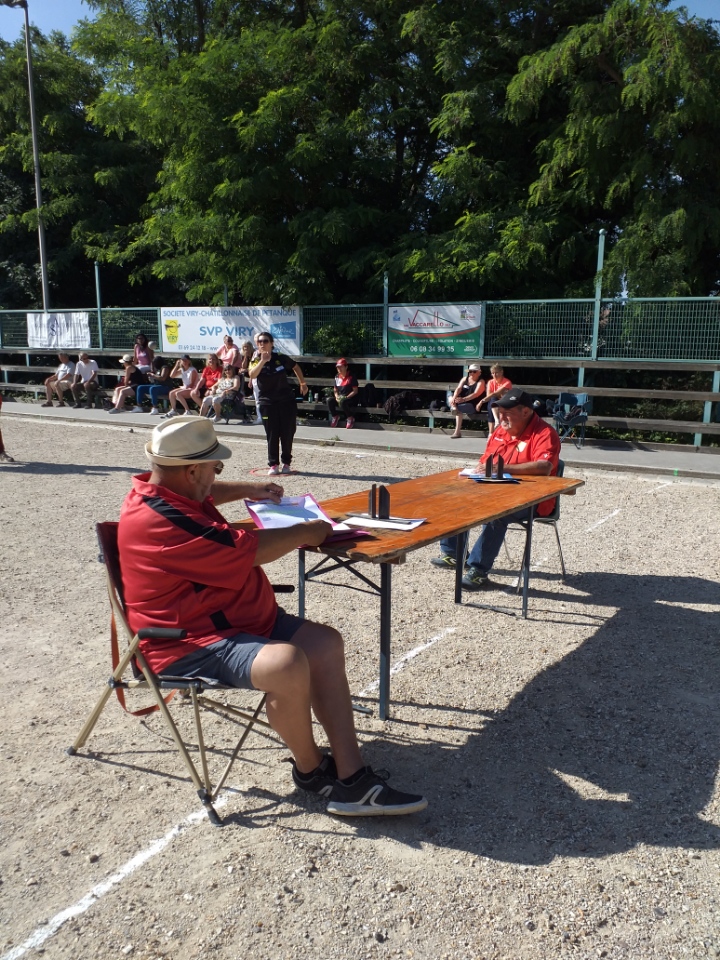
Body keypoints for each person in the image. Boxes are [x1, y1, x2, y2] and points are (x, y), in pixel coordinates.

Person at [117, 418, 427, 817]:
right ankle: (311, 769)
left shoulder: (169, 490)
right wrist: (308, 531)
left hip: (231, 620)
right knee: (287, 664)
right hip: (186, 640)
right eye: (216, 468)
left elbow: (207, 494)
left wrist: (249, 488)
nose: (217, 475)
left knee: (325, 643)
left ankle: (353, 777)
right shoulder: (162, 520)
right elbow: (250, 549)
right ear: (192, 470)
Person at [431, 387, 561, 590]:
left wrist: (501, 468)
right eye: (500, 412)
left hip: (534, 500)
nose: (501, 417)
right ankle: (453, 554)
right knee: (455, 497)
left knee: (497, 513)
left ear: (525, 412)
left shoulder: (545, 433)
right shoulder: (500, 430)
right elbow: (485, 462)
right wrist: (477, 472)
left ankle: (478, 571)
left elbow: (544, 467)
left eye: (507, 412)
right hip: (494, 491)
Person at [247, 331, 308, 475]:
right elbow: (252, 374)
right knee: (272, 433)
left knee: (287, 432)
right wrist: (263, 360)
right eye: (260, 341)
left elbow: (295, 366)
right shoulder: (255, 359)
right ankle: (273, 464)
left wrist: (302, 383)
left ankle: (286, 462)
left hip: (286, 400)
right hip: (267, 402)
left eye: (266, 341)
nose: (262, 344)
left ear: (272, 343)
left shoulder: (280, 358)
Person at [448, 364, 485, 439]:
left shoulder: (481, 382)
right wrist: (454, 397)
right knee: (449, 393)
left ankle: (454, 408)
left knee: (456, 407)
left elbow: (475, 394)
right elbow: (458, 388)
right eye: (470, 371)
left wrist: (463, 399)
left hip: (473, 405)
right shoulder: (465, 379)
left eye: (474, 371)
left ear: (479, 373)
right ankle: (454, 406)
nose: (471, 373)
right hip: (460, 402)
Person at [477, 363, 512, 429]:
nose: (494, 375)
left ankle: (494, 428)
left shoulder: (507, 382)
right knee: (492, 402)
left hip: (505, 402)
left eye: (496, 373)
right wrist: (497, 394)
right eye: (492, 373)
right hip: (495, 402)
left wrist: (481, 402)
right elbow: (489, 395)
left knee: (492, 402)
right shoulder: (490, 382)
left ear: (501, 372)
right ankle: (494, 427)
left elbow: (494, 393)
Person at [328, 358, 359, 429]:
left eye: (341, 367)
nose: (339, 369)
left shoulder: (351, 376)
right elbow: (335, 390)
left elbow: (355, 391)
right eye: (338, 367)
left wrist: (346, 397)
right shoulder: (337, 377)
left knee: (343, 402)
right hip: (341, 397)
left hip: (351, 398)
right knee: (330, 400)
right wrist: (337, 397)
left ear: (346, 367)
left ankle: (350, 418)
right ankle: (335, 416)